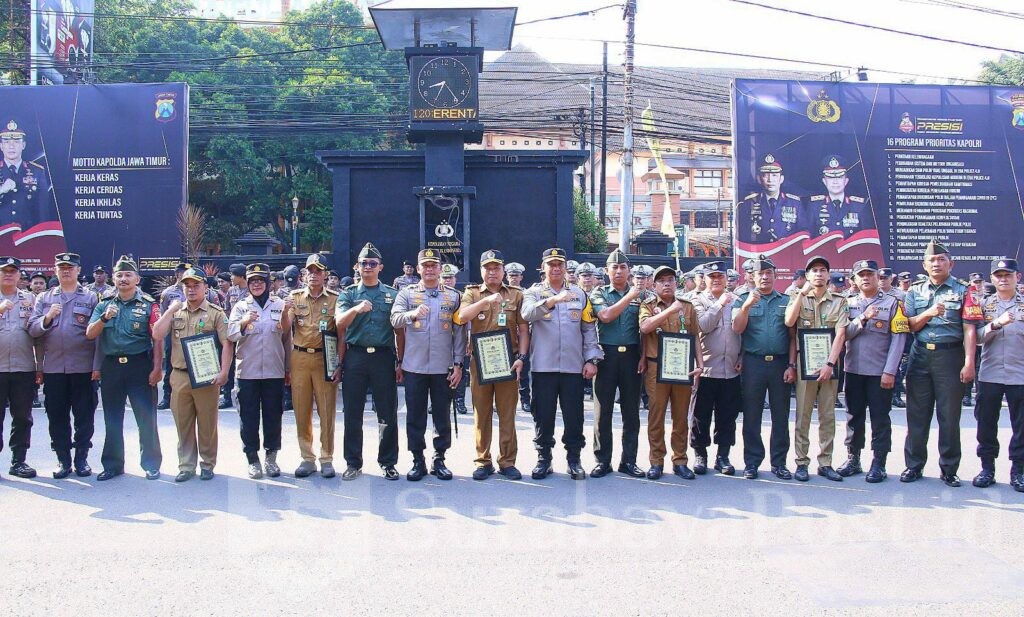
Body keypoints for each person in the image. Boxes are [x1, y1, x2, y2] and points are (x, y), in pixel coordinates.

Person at [901, 239, 979, 487]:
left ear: (951, 263)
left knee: (949, 415)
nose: (936, 264)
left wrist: (969, 363)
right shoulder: (914, 291)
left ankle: (949, 468)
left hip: (950, 356)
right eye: (931, 260)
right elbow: (909, 325)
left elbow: (969, 329)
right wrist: (929, 312)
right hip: (920, 355)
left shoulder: (965, 291)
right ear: (924, 265)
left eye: (941, 259)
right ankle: (914, 466)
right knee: (917, 414)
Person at [521, 247, 602, 480]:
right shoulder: (533, 293)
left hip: (573, 367)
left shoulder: (579, 294)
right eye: (551, 264)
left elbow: (588, 328)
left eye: (560, 264)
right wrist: (553, 300)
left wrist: (591, 359)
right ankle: (543, 458)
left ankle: (574, 459)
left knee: (574, 415)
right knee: (543, 414)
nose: (556, 268)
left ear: (566, 268)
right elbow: (527, 314)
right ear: (543, 268)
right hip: (543, 367)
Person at [86, 255, 163, 481]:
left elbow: (157, 339)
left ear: (137, 279)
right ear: (113, 278)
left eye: (128, 274)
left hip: (139, 365)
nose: (123, 279)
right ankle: (112, 464)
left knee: (146, 417)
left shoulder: (149, 304)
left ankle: (151, 463)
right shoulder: (104, 304)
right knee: (112, 417)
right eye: (119, 275)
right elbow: (90, 334)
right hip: (112, 367)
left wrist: (157, 368)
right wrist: (103, 319)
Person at [390, 249, 465, 481]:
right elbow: (394, 319)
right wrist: (412, 314)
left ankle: (439, 458)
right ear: (418, 268)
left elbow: (460, 333)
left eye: (434, 265)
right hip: (415, 366)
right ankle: (417, 459)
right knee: (415, 415)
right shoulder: (407, 294)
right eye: (426, 265)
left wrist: (458, 364)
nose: (430, 269)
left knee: (442, 413)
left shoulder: (453, 296)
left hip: (443, 367)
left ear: (440, 269)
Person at [151, 268, 232, 482]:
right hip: (179, 376)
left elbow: (226, 344)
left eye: (196, 285)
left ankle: (207, 463)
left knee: (207, 424)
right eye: (187, 285)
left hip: (206, 377)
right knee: (183, 423)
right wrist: (170, 311)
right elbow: (157, 334)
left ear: (205, 287)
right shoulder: (175, 311)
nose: (191, 289)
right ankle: (186, 465)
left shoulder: (216, 313)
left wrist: (224, 372)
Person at [456, 250, 529, 481]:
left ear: (503, 270)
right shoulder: (472, 292)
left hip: (509, 360)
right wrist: (486, 300)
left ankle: (507, 461)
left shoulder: (516, 295)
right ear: (481, 271)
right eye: (487, 268)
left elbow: (524, 329)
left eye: (496, 267)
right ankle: (483, 461)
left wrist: (523, 358)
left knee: (507, 413)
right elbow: (462, 317)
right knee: (482, 412)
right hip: (480, 362)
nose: (492, 272)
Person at [28, 252, 100, 478]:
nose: (66, 271)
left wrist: (97, 367)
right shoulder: (45, 298)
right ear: (55, 270)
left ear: (79, 270)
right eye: (62, 267)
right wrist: (47, 318)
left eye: (70, 267)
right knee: (57, 415)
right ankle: (63, 460)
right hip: (54, 369)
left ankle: (81, 459)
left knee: (84, 415)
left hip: (83, 367)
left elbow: (99, 336)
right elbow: (32, 329)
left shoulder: (90, 298)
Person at [335, 243, 403, 481]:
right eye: (364, 263)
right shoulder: (349, 294)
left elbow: (399, 331)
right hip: (356, 356)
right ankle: (353, 463)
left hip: (383, 357)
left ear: (380, 267)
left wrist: (400, 361)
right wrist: (356, 310)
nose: (368, 267)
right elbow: (340, 324)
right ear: (358, 266)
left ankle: (388, 462)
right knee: (352, 412)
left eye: (372, 264)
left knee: (387, 413)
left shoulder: (392, 295)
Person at [838, 259, 910, 482]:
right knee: (853, 416)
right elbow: (843, 334)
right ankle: (853, 458)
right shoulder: (847, 303)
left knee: (880, 418)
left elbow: (899, 340)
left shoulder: (894, 303)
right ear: (854, 280)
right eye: (861, 275)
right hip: (853, 370)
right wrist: (862, 318)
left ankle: (879, 462)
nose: (866, 278)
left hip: (880, 372)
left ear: (879, 277)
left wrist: (890, 371)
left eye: (870, 274)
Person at [733, 254, 798, 480]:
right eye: (760, 273)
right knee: (752, 416)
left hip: (780, 363)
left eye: (768, 273)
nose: (764, 277)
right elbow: (737, 329)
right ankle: (752, 463)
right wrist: (747, 307)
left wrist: (791, 365)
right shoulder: (743, 299)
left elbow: (792, 336)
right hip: (753, 363)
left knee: (781, 416)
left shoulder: (785, 300)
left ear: (775, 275)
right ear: (752, 276)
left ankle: (779, 462)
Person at [785, 255, 849, 482]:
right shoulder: (797, 296)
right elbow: (789, 323)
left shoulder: (840, 300)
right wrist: (802, 293)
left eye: (823, 270)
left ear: (829, 275)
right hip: (805, 364)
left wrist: (830, 364)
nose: (819, 274)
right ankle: (801, 463)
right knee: (802, 414)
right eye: (814, 271)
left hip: (830, 365)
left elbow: (841, 333)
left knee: (827, 415)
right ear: (807, 275)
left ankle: (825, 462)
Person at [228, 263, 291, 479]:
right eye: (252, 281)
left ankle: (271, 457)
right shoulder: (240, 306)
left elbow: (286, 339)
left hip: (274, 370)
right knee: (248, 416)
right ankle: (252, 459)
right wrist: (244, 322)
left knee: (274, 415)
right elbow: (231, 335)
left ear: (268, 283)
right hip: (247, 371)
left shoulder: (280, 305)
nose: (256, 284)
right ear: (247, 283)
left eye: (260, 281)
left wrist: (288, 368)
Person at [639, 265, 703, 480]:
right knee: (656, 416)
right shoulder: (647, 305)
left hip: (682, 366)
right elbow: (645, 328)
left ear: (677, 283)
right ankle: (656, 461)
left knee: (680, 417)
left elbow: (695, 337)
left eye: (670, 280)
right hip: (657, 367)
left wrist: (700, 365)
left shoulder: (688, 306)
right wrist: (670, 310)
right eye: (661, 280)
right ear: (654, 285)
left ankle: (680, 460)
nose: (666, 283)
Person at [588, 249, 646, 478]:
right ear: (606, 270)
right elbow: (605, 316)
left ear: (629, 270)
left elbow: (645, 330)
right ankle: (603, 460)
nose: (619, 271)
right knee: (603, 411)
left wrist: (643, 356)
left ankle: (629, 461)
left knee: (631, 412)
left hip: (633, 356)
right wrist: (630, 297)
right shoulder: (599, 293)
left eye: (623, 267)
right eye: (615, 267)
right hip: (606, 356)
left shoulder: (643, 296)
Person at [285, 253, 340, 478]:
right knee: (301, 408)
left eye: (318, 271)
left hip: (324, 358)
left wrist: (339, 363)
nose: (314, 275)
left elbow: (341, 333)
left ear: (326, 274)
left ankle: (327, 457)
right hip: (299, 358)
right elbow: (284, 328)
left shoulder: (336, 299)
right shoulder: (295, 297)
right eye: (310, 271)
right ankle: (307, 458)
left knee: (326, 409)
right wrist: (283, 309)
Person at [972, 258, 1024, 491]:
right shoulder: (984, 305)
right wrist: (995, 325)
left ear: (1017, 277)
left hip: (1020, 373)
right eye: (999, 275)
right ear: (992, 278)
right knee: (986, 422)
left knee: (1021, 425)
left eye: (1008, 275)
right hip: (990, 373)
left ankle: (1019, 471)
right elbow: (975, 338)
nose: (1003, 279)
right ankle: (987, 467)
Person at [692, 261, 741, 475]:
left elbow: (747, 331)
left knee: (727, 415)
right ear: (704, 278)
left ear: (726, 277)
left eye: (720, 276)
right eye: (712, 276)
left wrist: (744, 357)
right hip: (706, 369)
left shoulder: (738, 301)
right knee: (700, 415)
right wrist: (719, 305)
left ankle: (723, 456)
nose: (716, 280)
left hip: (731, 368)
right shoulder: (697, 300)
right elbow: (702, 325)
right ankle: (700, 454)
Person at [0, 256, 41, 478]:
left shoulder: (29, 300)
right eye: (4, 270)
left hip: (23, 367)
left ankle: (19, 461)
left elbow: (37, 332)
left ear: (19, 275)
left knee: (23, 417)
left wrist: (40, 365)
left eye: (12, 271)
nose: (8, 274)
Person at [736, 153, 806, 244]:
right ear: (759, 179)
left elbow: (804, 233)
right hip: (759, 254)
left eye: (774, 175)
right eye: (765, 175)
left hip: (787, 253)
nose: (770, 180)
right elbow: (742, 235)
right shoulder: (748, 203)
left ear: (781, 179)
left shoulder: (795, 204)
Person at [0, 120, 56, 229]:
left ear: (23, 145)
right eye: (7, 142)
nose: (11, 146)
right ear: (1, 146)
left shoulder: (37, 172)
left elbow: (43, 213)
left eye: (16, 141)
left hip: (27, 238)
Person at [807, 156, 874, 237]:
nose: (835, 182)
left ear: (846, 181)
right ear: (824, 181)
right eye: (830, 178)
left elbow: (867, 238)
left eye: (839, 177)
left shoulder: (860, 206)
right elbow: (809, 238)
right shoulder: (814, 206)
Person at [441, 264, 470, 415]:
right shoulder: (435, 295)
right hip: (442, 341)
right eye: (444, 278)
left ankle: (460, 401)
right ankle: (437, 401)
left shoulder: (462, 296)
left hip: (458, 340)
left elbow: (467, 321)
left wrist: (468, 340)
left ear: (455, 279)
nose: (447, 281)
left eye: (450, 278)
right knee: (439, 371)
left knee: (461, 370)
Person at [505, 261, 531, 412]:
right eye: (511, 275)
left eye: (516, 275)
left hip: (522, 337)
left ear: (521, 277)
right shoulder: (503, 294)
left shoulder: (525, 294)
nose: (514, 278)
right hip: (506, 337)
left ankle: (525, 399)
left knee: (524, 371)